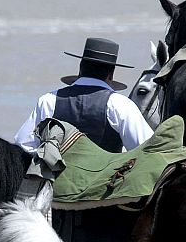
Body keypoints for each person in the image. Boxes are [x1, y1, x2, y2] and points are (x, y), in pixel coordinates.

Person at [15, 37, 153, 154]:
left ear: (80, 69)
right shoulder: (121, 105)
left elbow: (24, 144)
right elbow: (147, 149)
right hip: (105, 178)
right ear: (111, 75)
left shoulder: (48, 100)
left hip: (57, 178)